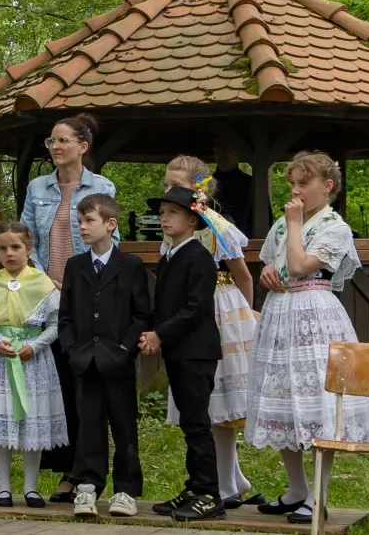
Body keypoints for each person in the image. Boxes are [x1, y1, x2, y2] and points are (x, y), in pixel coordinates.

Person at [246, 151, 369, 525]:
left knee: (318, 404)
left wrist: (294, 223)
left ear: (326, 186)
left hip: (314, 315)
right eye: (292, 183)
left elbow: (298, 266)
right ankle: (296, 489)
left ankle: (317, 495)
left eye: (303, 183)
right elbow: (273, 262)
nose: (295, 191)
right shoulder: (283, 224)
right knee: (283, 399)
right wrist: (267, 273)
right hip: (280, 314)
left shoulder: (334, 227)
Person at [18, 113, 118, 502]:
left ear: (82, 146)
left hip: (89, 299)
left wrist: (80, 283)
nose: (55, 147)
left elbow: (111, 243)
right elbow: (26, 238)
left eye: (63, 140)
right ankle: (67, 472)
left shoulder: (101, 187)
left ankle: (88, 472)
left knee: (85, 388)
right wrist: (44, 282)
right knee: (55, 386)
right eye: (51, 141)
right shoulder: (37, 187)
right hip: (47, 299)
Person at [162, 156, 262, 509]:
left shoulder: (217, 226)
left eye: (177, 185)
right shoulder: (173, 229)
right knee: (207, 404)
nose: (169, 191)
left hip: (222, 310)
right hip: (191, 312)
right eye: (166, 185)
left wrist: (246, 313)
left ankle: (226, 484)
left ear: (199, 188)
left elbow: (242, 275)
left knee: (221, 402)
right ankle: (230, 479)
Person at [59, 195, 147, 519]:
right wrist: (73, 350)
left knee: (124, 425)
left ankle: (126, 490)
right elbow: (65, 315)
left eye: (89, 220)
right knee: (88, 426)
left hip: (118, 361)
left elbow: (141, 314)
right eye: (80, 221)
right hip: (85, 361)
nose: (82, 227)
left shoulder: (131, 266)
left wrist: (125, 350)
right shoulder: (75, 265)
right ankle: (87, 487)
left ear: (110, 224)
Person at [0, 222, 68, 510]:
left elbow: (55, 325)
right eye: (3, 249)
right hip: (1, 362)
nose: (9, 254)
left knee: (30, 420)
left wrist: (35, 345)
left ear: (28, 249)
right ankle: (3, 487)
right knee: (3, 418)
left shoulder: (43, 284)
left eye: (15, 247)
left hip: (33, 361)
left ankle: (30, 487)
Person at [140, 186, 223, 522]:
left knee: (197, 423)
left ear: (192, 220)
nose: (164, 218)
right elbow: (164, 306)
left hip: (196, 351)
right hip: (179, 350)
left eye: (173, 212)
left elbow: (196, 308)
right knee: (190, 422)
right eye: (162, 213)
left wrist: (160, 333)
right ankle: (194, 487)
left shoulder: (199, 257)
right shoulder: (169, 256)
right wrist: (151, 332)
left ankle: (209, 494)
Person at [212, 143, 253, 235]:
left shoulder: (251, 183)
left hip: (245, 238)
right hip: (213, 237)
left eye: (227, 149)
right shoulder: (208, 184)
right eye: (217, 151)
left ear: (237, 153)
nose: (222, 154)